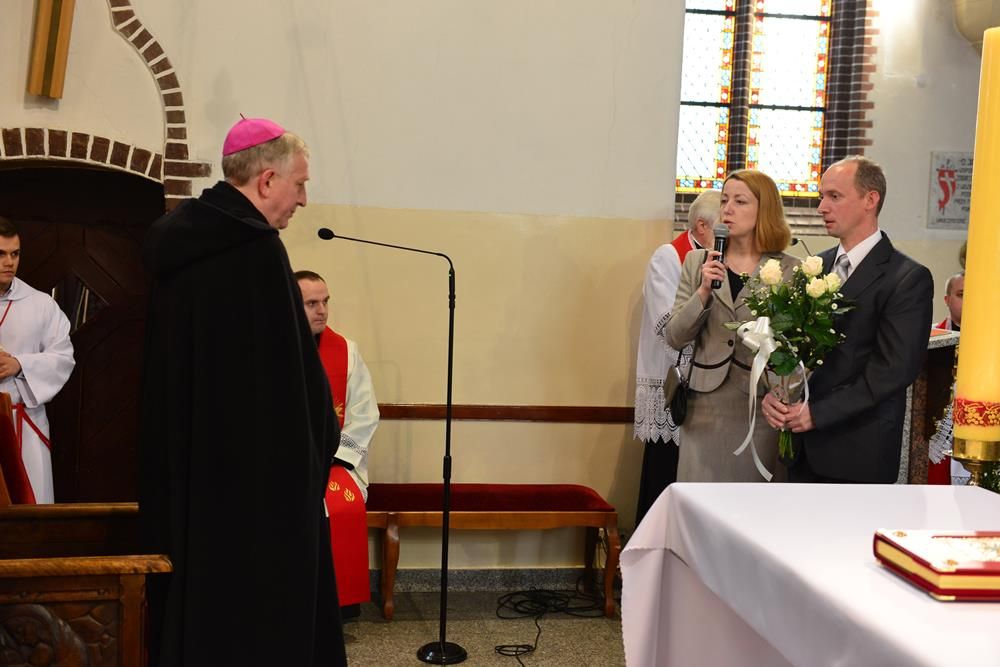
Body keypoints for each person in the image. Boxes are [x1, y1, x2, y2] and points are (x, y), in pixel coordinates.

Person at [139, 118, 347, 667]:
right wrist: (316, 444)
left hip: (190, 472)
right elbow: (290, 389)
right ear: (267, 180)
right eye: (299, 185)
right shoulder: (257, 253)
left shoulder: (176, 243)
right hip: (253, 493)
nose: (303, 200)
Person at [763, 156, 934, 483]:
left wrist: (818, 413)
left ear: (871, 199)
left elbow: (893, 370)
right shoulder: (816, 266)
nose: (821, 207)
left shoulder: (906, 277)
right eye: (821, 197)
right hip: (800, 447)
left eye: (834, 196)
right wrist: (776, 393)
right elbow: (792, 347)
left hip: (857, 450)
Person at [664, 170, 797, 482]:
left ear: (764, 210)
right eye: (724, 201)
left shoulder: (790, 269)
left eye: (740, 201)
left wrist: (783, 394)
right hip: (704, 407)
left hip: (759, 406)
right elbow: (674, 336)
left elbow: (794, 348)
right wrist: (703, 292)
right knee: (700, 495)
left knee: (751, 498)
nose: (727, 209)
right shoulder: (698, 262)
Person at [296, 269, 379, 618]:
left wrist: (337, 458)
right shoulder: (271, 348)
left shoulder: (346, 352)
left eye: (325, 301)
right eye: (311, 303)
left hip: (334, 463)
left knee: (333, 503)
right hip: (287, 465)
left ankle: (338, 607)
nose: (322, 310)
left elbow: (364, 413)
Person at [633, 189, 717, 524]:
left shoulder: (719, 261)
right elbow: (666, 324)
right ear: (701, 226)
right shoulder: (669, 257)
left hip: (709, 387)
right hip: (676, 385)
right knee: (665, 480)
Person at [0, 216, 74, 504]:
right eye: (1, 254)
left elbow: (63, 357)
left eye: (15, 254)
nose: (9, 262)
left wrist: (20, 365)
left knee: (30, 511)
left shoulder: (41, 305)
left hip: (24, 424)